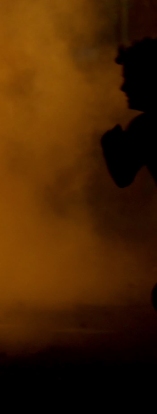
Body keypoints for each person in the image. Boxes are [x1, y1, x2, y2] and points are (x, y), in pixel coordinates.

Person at [101, 38, 157, 309]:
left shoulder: (148, 127)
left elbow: (122, 176)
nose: (123, 87)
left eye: (130, 78)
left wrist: (110, 146)